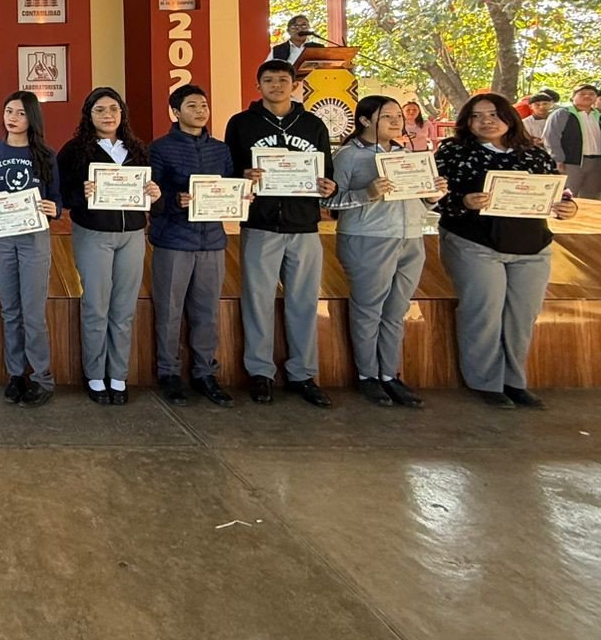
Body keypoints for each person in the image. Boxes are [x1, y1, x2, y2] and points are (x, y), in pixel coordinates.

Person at [435, 92, 577, 407]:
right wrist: (463, 201)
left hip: (531, 246)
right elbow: (432, 196)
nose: (486, 121)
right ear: (467, 122)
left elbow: (558, 192)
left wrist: (567, 207)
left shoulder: (534, 153)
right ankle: (486, 382)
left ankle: (514, 381)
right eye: (477, 116)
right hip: (474, 243)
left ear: (509, 118)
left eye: (493, 115)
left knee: (521, 316)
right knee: (483, 313)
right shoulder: (453, 151)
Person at [225, 59, 338, 406]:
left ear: (295, 85)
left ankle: (302, 373)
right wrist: (243, 176)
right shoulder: (241, 123)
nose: (276, 85)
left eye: (283, 80)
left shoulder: (313, 124)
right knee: (257, 301)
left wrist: (328, 186)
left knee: (304, 303)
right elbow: (228, 171)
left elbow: (327, 174)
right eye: (269, 80)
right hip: (260, 224)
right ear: (258, 85)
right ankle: (260, 372)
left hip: (304, 225)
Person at [323, 95, 446, 407]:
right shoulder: (348, 156)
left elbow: (420, 202)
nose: (396, 122)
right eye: (387, 116)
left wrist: (433, 196)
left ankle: (390, 374)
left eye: (398, 116)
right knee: (368, 311)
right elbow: (328, 201)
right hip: (367, 239)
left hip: (410, 239)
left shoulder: (406, 155)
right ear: (365, 121)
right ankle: (367, 376)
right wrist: (367, 193)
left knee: (395, 311)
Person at [57, 88, 160, 405]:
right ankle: (95, 374)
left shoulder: (137, 149)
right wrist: (82, 192)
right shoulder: (74, 150)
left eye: (113, 109)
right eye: (99, 110)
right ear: (88, 115)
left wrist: (155, 194)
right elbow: (62, 196)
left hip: (133, 235)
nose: (107, 115)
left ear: (122, 114)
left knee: (124, 308)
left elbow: (151, 194)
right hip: (94, 234)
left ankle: (118, 374)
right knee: (96, 306)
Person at [146, 84, 236, 407]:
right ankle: (169, 373)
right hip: (173, 240)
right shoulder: (160, 148)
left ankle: (205, 373)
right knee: (169, 312)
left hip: (212, 241)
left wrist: (240, 196)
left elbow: (230, 187)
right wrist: (175, 200)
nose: (200, 111)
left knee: (207, 312)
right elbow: (151, 196)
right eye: (192, 106)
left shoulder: (221, 150)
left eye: (203, 105)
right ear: (175, 112)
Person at [0, 90, 62, 407]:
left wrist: (54, 208)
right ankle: (15, 374)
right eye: (8, 111)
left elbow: (57, 198)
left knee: (33, 312)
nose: (13, 118)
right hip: (2, 238)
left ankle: (41, 377)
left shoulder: (46, 153)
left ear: (32, 118)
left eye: (21, 113)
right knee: (10, 310)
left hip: (34, 238)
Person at [543, 85, 601, 200]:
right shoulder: (562, 113)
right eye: (582, 94)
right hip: (571, 162)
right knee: (566, 196)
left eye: (591, 94)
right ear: (573, 97)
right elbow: (551, 137)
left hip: (598, 162)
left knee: (594, 197)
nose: (587, 96)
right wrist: (558, 158)